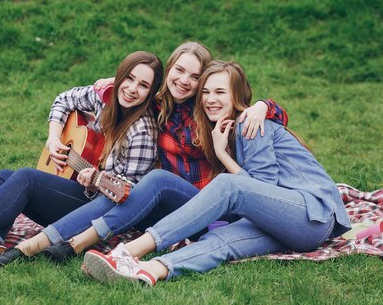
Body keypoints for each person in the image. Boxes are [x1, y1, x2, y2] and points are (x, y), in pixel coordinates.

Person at [0, 42, 288, 268]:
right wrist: (111, 84)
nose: (184, 81)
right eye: (179, 71)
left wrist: (265, 105)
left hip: (209, 206)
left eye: (194, 77)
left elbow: (256, 112)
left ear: (203, 83)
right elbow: (114, 93)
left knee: (150, 182)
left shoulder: (209, 111)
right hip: (166, 205)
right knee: (5, 177)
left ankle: (43, 245)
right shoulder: (157, 105)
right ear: (168, 71)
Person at [81, 60, 352, 286]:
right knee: (220, 240)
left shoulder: (251, 124)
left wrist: (223, 155)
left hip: (313, 215)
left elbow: (261, 188)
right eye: (206, 92)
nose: (211, 99)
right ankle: (151, 270)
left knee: (227, 185)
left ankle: (129, 251)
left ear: (236, 96)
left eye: (220, 92)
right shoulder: (227, 130)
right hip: (287, 226)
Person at [0, 50, 163, 260]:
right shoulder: (105, 98)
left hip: (95, 211)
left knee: (26, 179)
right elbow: (63, 100)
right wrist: (53, 139)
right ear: (119, 76)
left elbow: (128, 195)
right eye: (129, 78)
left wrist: (97, 179)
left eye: (143, 85)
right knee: (2, 177)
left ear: (150, 93)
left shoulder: (142, 131)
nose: (132, 88)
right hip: (79, 191)